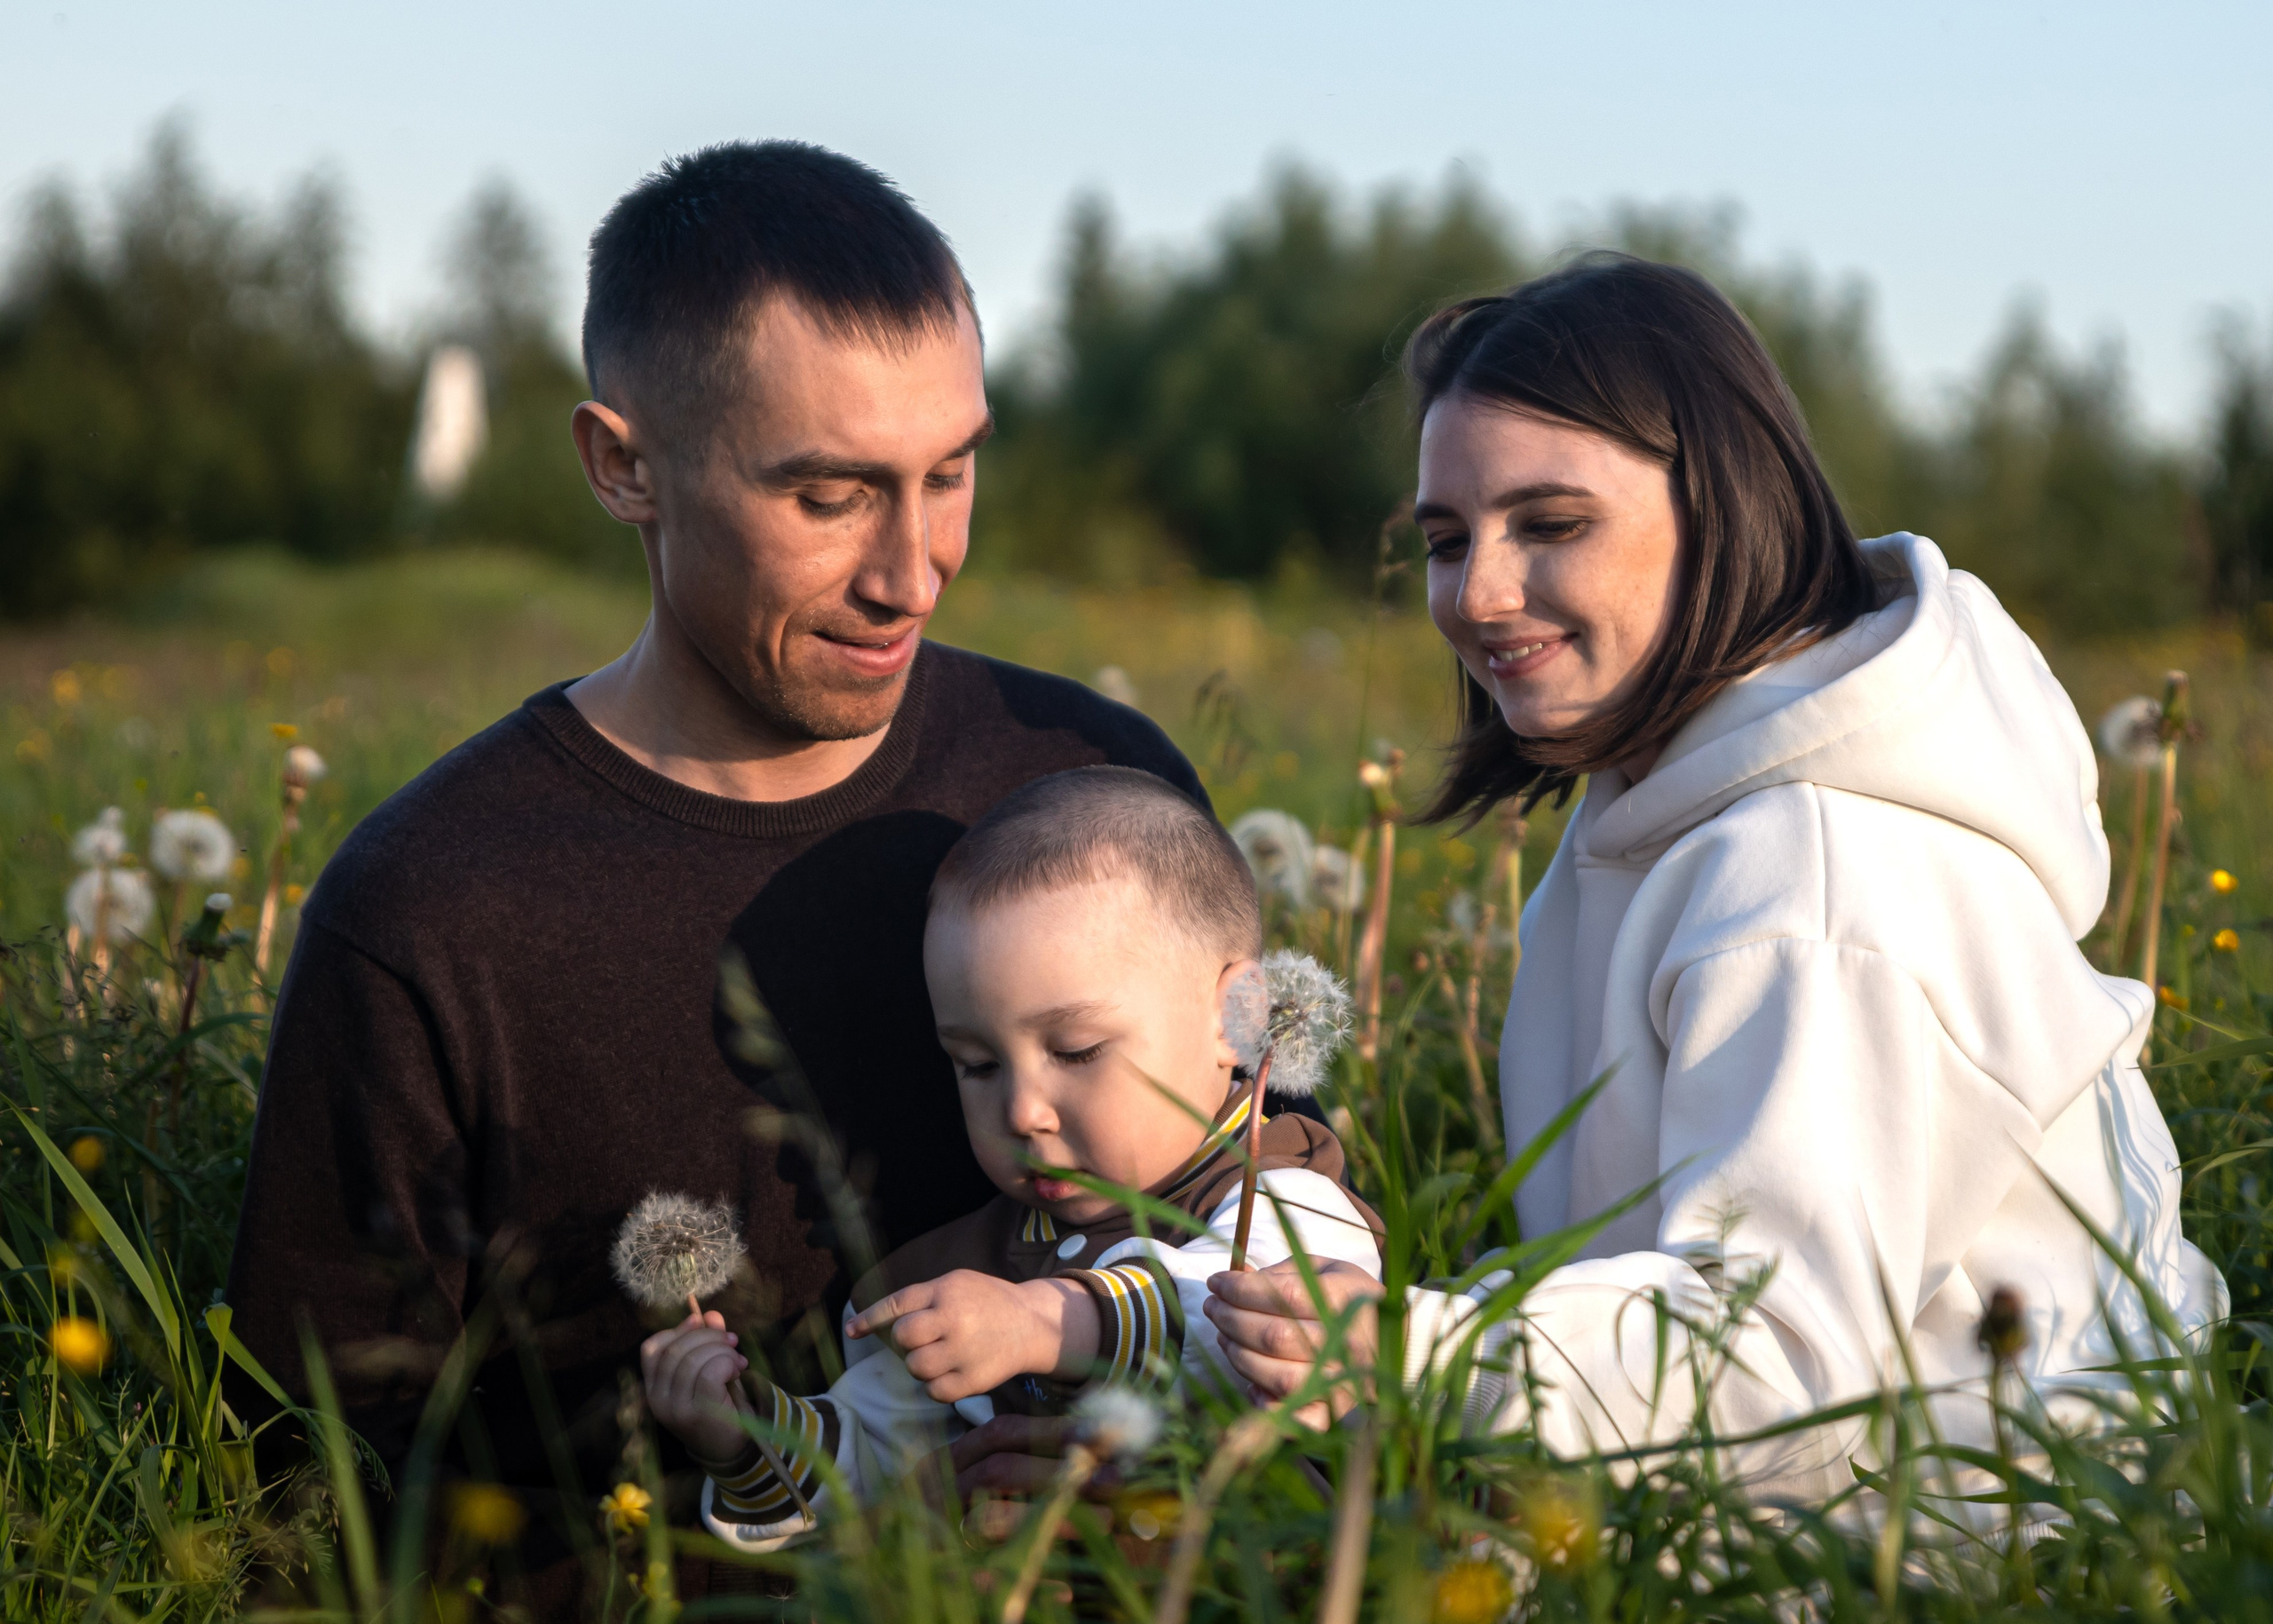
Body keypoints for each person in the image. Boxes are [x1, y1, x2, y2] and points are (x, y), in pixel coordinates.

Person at [224, 143, 1206, 1597]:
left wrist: (1169, 1472)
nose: (915, 568)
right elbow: (314, 1484)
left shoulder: (1091, 785)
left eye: (953, 470)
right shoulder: (432, 909)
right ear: (626, 465)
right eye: (829, 497)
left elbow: (1285, 1212)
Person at [1202, 255, 2226, 1503]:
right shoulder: (1653, 806)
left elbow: (1785, 1357)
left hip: (1971, 1541)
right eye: (1446, 537)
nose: (1476, 592)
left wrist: (1421, 1353)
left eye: (1552, 523)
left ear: (1724, 503)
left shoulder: (1815, 874)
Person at [639, 767, 1380, 1547]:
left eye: (1077, 1049)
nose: (1022, 1110)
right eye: (977, 1065)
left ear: (1239, 1015)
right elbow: (869, 1456)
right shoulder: (970, 1268)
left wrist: (1041, 1321)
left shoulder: (1287, 1197)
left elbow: (1245, 1315)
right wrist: (741, 1433)